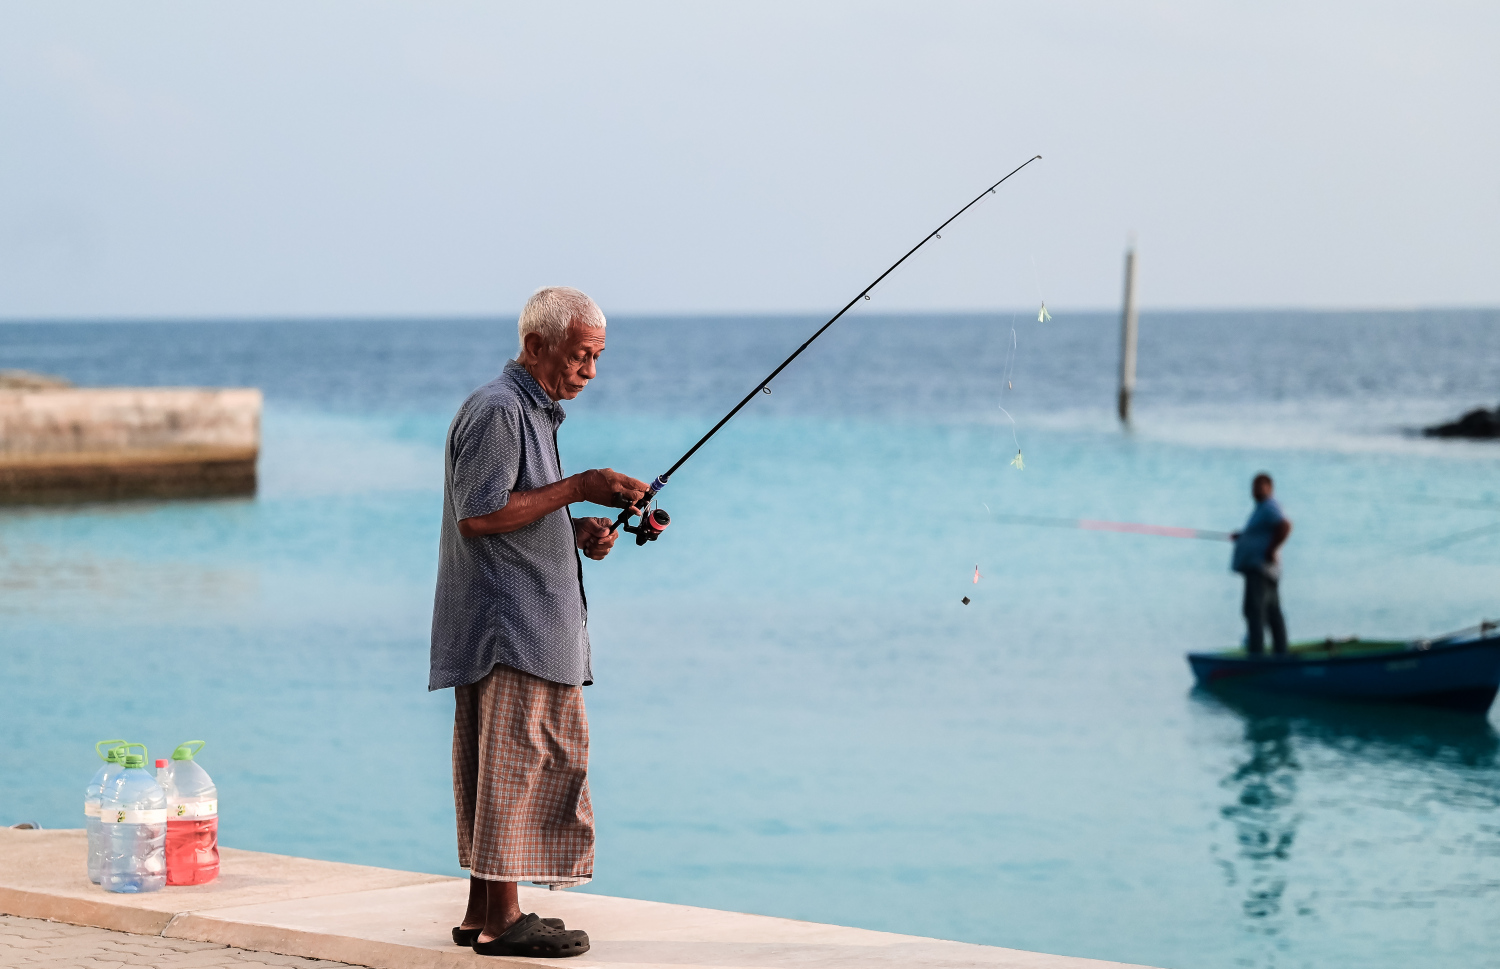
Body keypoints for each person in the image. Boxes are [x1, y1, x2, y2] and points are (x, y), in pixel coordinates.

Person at [429, 286, 648, 958]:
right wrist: (580, 486)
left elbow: (515, 509)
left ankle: (482, 912)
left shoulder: (528, 412)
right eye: (580, 355)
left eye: (597, 357)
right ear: (535, 345)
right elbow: (479, 515)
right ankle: (504, 921)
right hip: (513, 629)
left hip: (516, 624)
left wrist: (573, 531)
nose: (590, 371)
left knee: (502, 768)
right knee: (515, 771)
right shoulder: (501, 410)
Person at [1230, 473, 1292, 657]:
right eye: (1254, 486)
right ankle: (1280, 652)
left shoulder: (1269, 506)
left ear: (1270, 488)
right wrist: (1244, 537)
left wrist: (1271, 549)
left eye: (1260, 486)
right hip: (1266, 571)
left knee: (1255, 611)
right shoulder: (1261, 509)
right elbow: (1263, 533)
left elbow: (1285, 526)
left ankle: (1256, 655)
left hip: (1261, 570)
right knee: (1272, 611)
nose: (1256, 490)